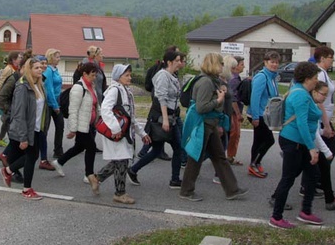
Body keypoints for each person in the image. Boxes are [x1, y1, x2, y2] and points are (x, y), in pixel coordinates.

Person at [180, 53, 247, 202]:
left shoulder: (213, 81)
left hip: (210, 125)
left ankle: (232, 189)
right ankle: (186, 191)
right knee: (196, 158)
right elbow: (201, 107)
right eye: (221, 63)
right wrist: (218, 100)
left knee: (219, 158)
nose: (223, 66)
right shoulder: (205, 82)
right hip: (204, 125)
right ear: (214, 64)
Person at [269, 61, 325, 229]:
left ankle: (306, 212)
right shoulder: (301, 95)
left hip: (299, 141)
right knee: (288, 178)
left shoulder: (302, 91)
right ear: (307, 78)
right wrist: (312, 148)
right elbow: (301, 123)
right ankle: (276, 217)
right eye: (315, 77)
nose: (317, 80)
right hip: (294, 142)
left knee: (312, 174)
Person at [93, 64, 150, 204]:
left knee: (120, 160)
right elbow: (105, 109)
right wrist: (115, 128)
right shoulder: (114, 90)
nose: (130, 78)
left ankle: (97, 178)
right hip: (117, 133)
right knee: (122, 160)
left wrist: (142, 133)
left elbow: (131, 116)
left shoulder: (126, 91)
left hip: (123, 132)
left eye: (130, 75)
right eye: (127, 75)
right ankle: (119, 193)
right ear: (118, 77)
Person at [128, 50, 184, 189]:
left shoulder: (173, 76)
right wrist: (165, 119)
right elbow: (161, 98)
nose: (180, 63)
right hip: (163, 117)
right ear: (169, 62)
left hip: (172, 117)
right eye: (177, 60)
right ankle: (175, 179)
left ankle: (133, 170)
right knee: (174, 148)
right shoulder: (162, 76)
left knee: (159, 150)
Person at [0, 57, 48, 200]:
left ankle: (8, 171)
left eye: (41, 67)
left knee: (32, 156)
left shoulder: (40, 85)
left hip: (37, 128)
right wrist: (23, 137)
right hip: (27, 129)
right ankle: (26, 189)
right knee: (31, 157)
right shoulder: (22, 87)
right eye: (36, 68)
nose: (40, 69)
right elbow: (19, 114)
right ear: (29, 69)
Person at [50, 63, 99, 181]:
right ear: (84, 74)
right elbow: (73, 109)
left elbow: (95, 104)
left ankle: (59, 162)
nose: (94, 77)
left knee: (79, 147)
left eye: (95, 75)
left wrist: (99, 118)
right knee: (91, 147)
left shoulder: (91, 86)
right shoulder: (78, 87)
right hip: (81, 125)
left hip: (89, 123)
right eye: (92, 75)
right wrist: (73, 128)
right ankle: (89, 175)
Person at [311, 47, 335, 204]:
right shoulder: (320, 74)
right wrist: (327, 125)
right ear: (322, 58)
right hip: (322, 119)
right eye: (330, 57)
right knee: (329, 149)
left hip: (324, 118)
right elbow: (320, 100)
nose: (332, 60)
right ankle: (315, 180)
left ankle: (318, 180)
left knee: (325, 150)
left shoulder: (323, 73)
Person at [248, 50, 281, 178]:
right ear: (265, 62)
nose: (274, 64)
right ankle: (254, 163)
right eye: (272, 62)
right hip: (259, 115)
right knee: (268, 140)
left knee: (258, 140)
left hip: (266, 115)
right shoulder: (262, 76)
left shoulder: (272, 77)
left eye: (276, 62)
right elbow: (255, 97)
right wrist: (255, 117)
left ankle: (255, 163)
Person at [0, 51, 23, 147]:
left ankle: (1, 139)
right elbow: (2, 81)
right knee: (6, 120)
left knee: (6, 121)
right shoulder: (8, 69)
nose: (21, 59)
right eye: (19, 57)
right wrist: (2, 93)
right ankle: (8, 140)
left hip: (10, 99)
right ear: (13, 59)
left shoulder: (16, 69)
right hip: (6, 99)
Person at [43, 48, 65, 160]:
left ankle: (58, 150)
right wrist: (55, 105)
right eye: (57, 57)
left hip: (57, 100)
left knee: (60, 126)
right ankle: (42, 152)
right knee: (45, 128)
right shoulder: (48, 70)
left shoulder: (55, 70)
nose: (59, 59)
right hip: (50, 103)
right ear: (51, 57)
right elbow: (49, 89)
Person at [225, 55, 245, 166]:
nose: (244, 66)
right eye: (242, 64)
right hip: (233, 111)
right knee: (235, 133)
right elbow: (233, 98)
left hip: (233, 110)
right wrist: (238, 113)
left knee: (233, 134)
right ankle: (229, 156)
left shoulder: (236, 78)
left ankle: (230, 156)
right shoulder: (234, 79)